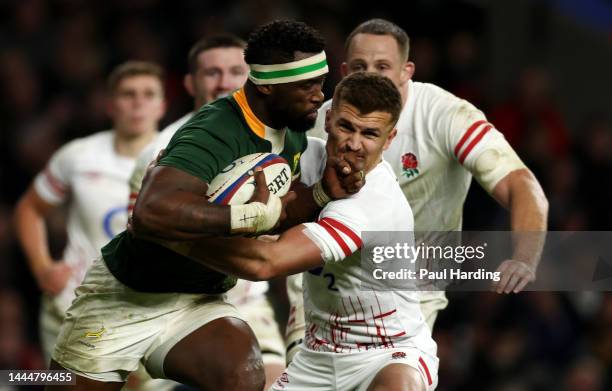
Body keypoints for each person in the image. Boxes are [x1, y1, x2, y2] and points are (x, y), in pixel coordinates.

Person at [48, 20, 362, 391]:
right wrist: (249, 217)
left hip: (200, 298)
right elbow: (151, 213)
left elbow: (274, 212)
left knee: (242, 377)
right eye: (306, 86)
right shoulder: (213, 131)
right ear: (265, 84)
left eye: (320, 82)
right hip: (127, 296)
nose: (318, 95)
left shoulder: (291, 124)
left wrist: (322, 193)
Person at [178, 72, 439, 390]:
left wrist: (177, 238)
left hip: (388, 352)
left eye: (369, 133)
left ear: (389, 138)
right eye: (346, 126)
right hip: (316, 357)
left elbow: (265, 263)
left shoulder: (374, 202)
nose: (353, 144)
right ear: (328, 119)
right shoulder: (303, 159)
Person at [304, 18, 549, 337]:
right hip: (323, 280)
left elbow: (521, 184)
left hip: (411, 286)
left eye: (383, 67)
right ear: (345, 71)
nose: (371, 76)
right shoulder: (320, 125)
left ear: (406, 72)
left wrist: (525, 257)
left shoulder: (447, 116)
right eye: (361, 66)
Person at [129, 33, 286, 389]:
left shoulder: (277, 139)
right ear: (190, 82)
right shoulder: (160, 152)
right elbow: (143, 242)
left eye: (235, 71)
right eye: (211, 72)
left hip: (249, 303)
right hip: (177, 306)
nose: (224, 82)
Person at [14, 61, 165, 364]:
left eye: (148, 94)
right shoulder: (79, 155)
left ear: (162, 106)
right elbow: (29, 209)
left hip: (150, 310)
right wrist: (43, 267)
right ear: (110, 106)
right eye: (128, 94)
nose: (138, 103)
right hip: (75, 305)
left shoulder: (180, 158)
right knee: (58, 385)